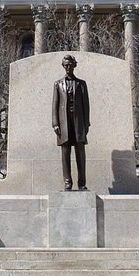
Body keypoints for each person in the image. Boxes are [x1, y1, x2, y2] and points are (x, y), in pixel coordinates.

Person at [51, 54, 90, 190]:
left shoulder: (81, 84)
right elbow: (55, 105)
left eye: (70, 65)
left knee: (80, 151)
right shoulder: (58, 84)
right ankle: (67, 182)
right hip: (63, 122)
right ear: (63, 66)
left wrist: (86, 124)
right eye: (66, 65)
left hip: (78, 122)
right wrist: (55, 123)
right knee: (65, 151)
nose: (68, 67)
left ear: (74, 65)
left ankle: (82, 183)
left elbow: (86, 105)